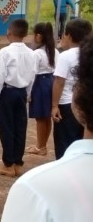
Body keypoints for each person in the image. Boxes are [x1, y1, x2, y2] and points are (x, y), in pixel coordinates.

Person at [2, 34, 93, 222]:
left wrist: (54, 104)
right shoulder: (37, 53)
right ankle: (16, 161)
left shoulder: (35, 188)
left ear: (77, 97)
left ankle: (12, 161)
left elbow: (58, 80)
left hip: (21, 90)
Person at [0, 19, 37, 177]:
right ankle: (18, 162)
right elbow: (32, 76)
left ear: (9, 32)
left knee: (6, 127)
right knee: (20, 127)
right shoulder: (32, 53)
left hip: (8, 92)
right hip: (22, 92)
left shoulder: (5, 52)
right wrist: (28, 94)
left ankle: (9, 163)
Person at [51, 18, 93, 159]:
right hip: (86, 104)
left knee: (65, 141)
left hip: (66, 104)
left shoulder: (65, 56)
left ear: (68, 36)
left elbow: (59, 82)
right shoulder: (88, 54)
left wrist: (54, 105)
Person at [26, 22, 59, 156]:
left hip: (40, 83)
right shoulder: (54, 51)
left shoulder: (37, 53)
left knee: (40, 117)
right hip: (51, 81)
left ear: (39, 36)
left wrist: (28, 92)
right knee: (46, 116)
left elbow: (32, 73)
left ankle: (40, 146)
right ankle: (43, 145)